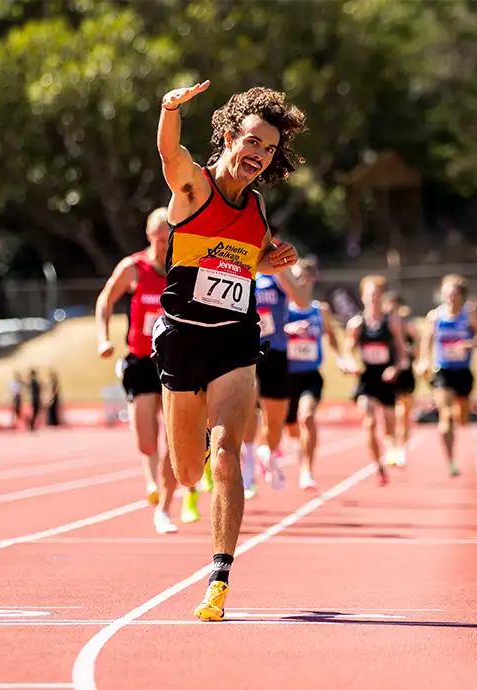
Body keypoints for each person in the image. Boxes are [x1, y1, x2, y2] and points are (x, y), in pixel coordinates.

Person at [152, 80, 306, 621]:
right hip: (182, 340)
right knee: (189, 471)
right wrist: (170, 108)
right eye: (251, 142)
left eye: (267, 149)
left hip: (234, 340)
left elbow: (248, 260)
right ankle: (186, 479)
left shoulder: (258, 210)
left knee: (227, 454)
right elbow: (170, 153)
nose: (258, 156)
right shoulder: (193, 188)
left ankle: (219, 578)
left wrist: (273, 259)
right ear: (227, 137)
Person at [95, 208, 201, 535]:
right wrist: (103, 337)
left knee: (173, 439)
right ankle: (153, 479)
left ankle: (164, 508)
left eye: (167, 239)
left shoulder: (183, 268)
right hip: (141, 361)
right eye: (157, 239)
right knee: (146, 440)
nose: (162, 245)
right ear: (148, 237)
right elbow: (105, 300)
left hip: (174, 363)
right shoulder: (134, 269)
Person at [242, 247, 312, 499]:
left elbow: (302, 300)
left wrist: (281, 270)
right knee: (248, 404)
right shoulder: (241, 268)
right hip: (247, 350)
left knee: (275, 421)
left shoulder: (277, 275)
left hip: (276, 351)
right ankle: (248, 467)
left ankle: (267, 453)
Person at [415, 274, 477, 476]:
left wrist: (470, 343)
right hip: (443, 372)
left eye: (455, 293)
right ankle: (450, 461)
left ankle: (456, 422)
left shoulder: (469, 316)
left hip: (463, 373)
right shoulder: (436, 316)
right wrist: (423, 360)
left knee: (462, 418)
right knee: (445, 416)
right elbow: (426, 339)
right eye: (447, 293)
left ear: (461, 295)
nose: (451, 297)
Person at [339, 275, 409, 486]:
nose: (373, 298)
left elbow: (401, 350)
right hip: (367, 377)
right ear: (363, 297)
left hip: (387, 376)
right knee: (369, 422)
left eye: (377, 294)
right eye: (369, 294)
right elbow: (348, 350)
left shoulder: (392, 321)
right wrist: (351, 364)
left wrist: (396, 368)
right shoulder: (357, 323)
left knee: (389, 423)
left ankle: (392, 447)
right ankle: (378, 465)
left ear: (382, 296)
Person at [282, 258, 338, 491]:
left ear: (313, 279)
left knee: (307, 417)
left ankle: (307, 470)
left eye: (304, 277)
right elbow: (270, 332)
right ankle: (298, 445)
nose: (300, 281)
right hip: (285, 375)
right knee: (292, 427)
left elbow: (331, 336)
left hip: (310, 375)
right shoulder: (284, 308)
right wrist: (289, 329)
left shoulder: (319, 310)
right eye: (295, 277)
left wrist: (342, 357)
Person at [382, 291, 418, 468]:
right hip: (387, 372)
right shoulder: (383, 326)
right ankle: (391, 448)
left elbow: (417, 349)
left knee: (403, 414)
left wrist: (407, 350)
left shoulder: (407, 325)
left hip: (405, 374)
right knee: (389, 414)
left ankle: (401, 448)